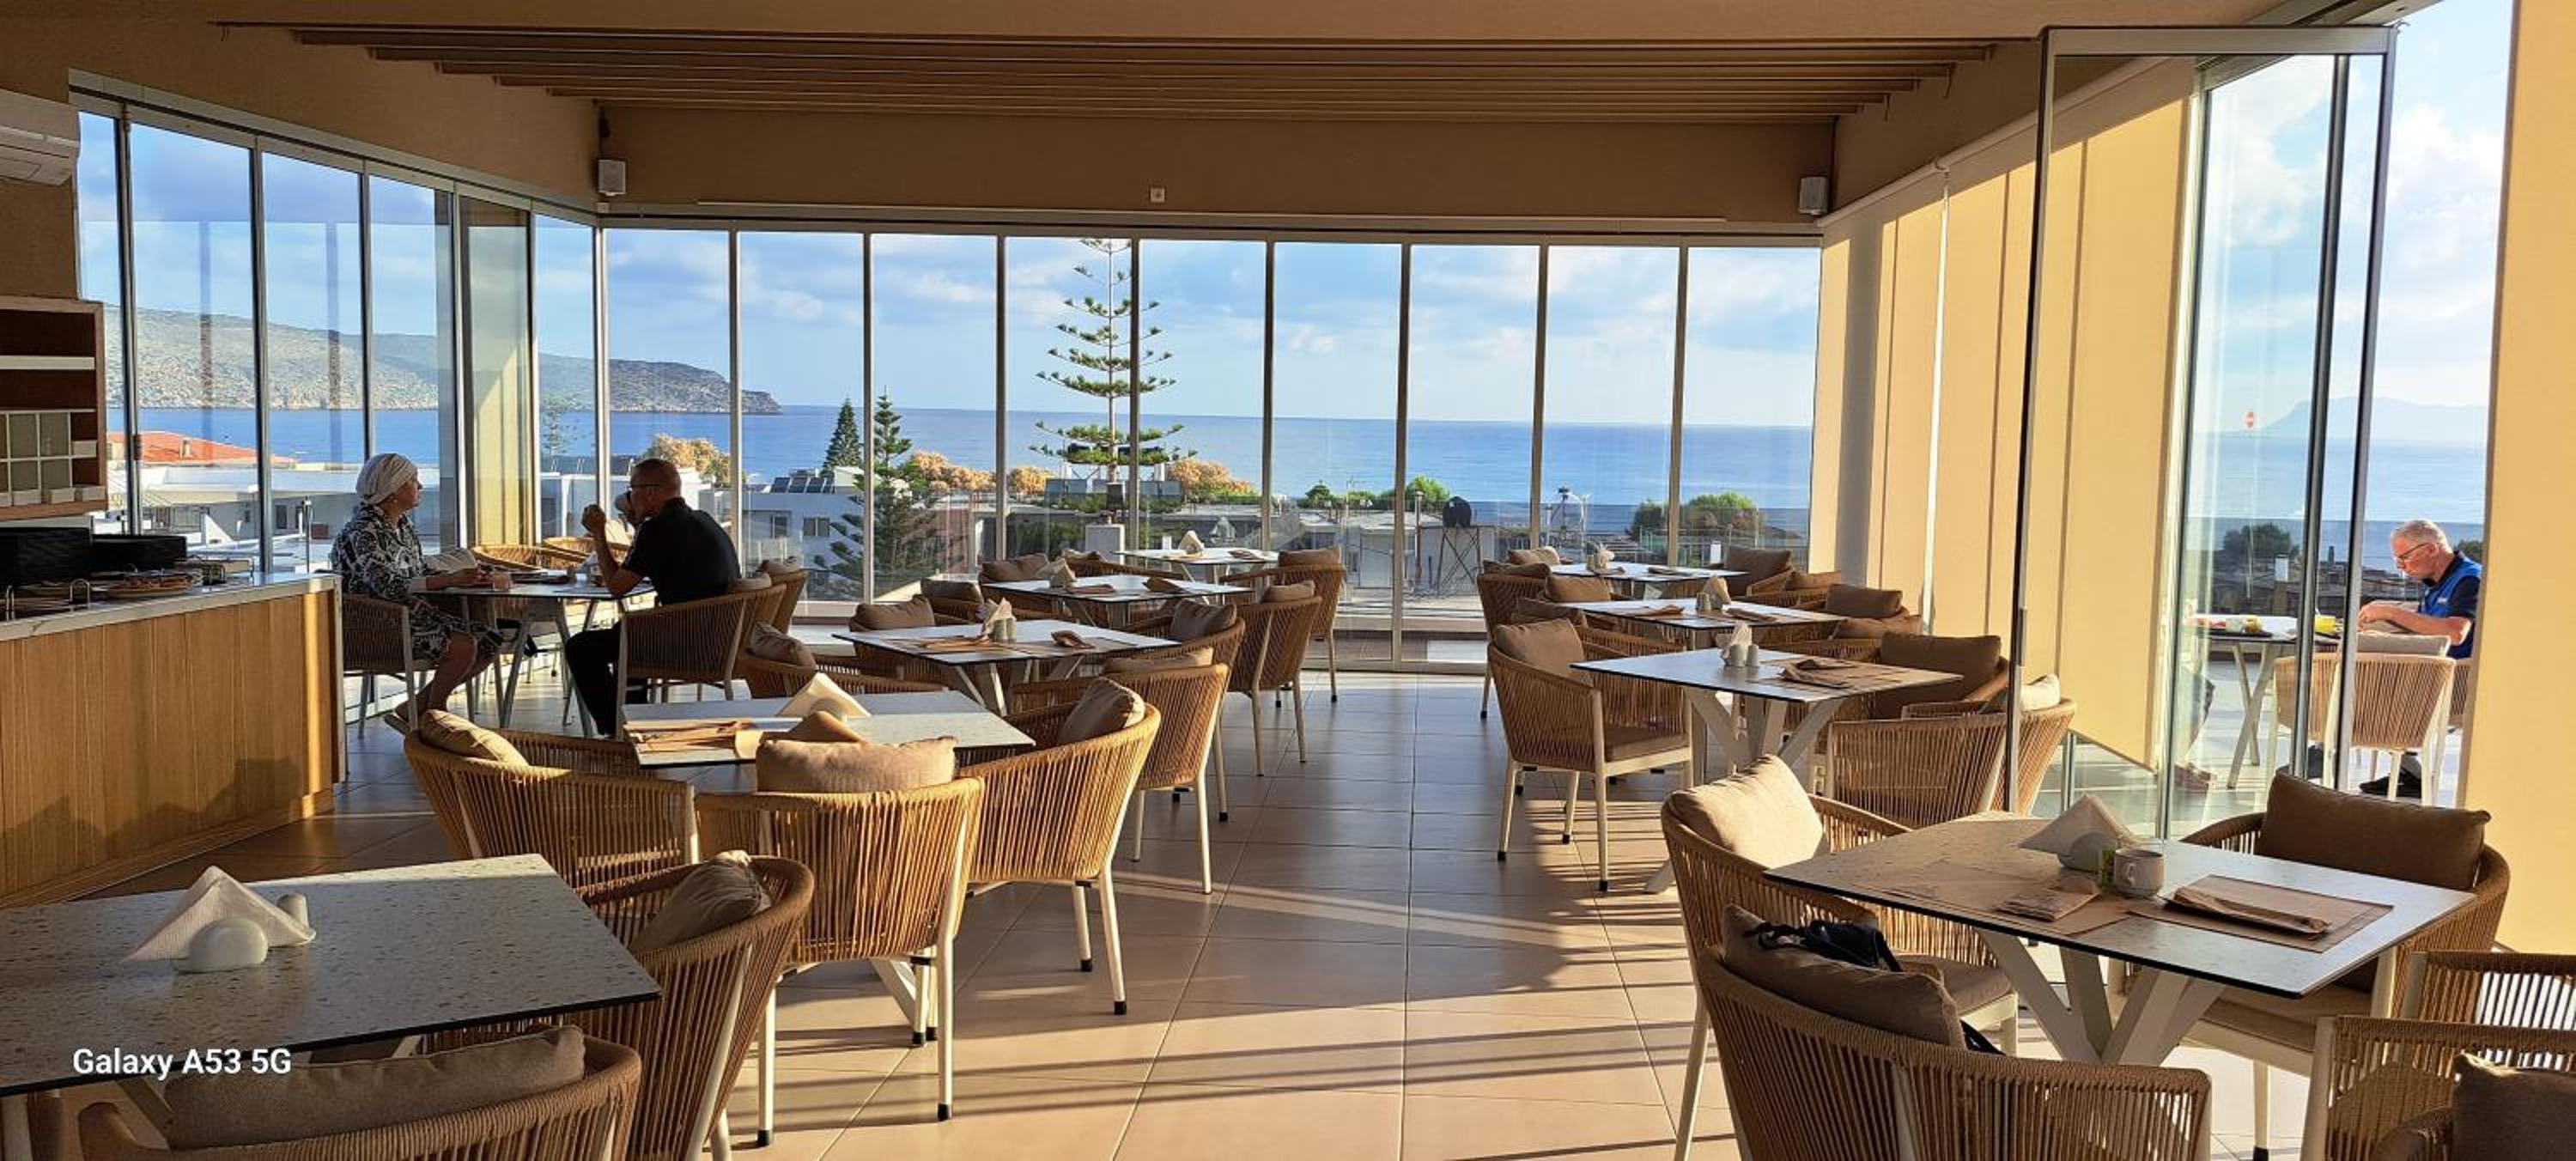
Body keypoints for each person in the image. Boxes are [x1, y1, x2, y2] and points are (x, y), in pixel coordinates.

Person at [330, 452, 513, 724]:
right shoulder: (364, 531)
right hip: (376, 625)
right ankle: (435, 713)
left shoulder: (403, 527)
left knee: (489, 641)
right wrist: (448, 580)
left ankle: (417, 708)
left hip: (412, 616)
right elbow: (386, 586)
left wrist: (467, 578)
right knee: (463, 645)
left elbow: (418, 571)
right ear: (393, 489)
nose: (420, 486)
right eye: (413, 480)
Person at [563, 458, 741, 732]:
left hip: (686, 644)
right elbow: (661, 558)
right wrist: (639, 525)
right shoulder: (703, 520)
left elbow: (617, 587)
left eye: (632, 489)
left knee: (581, 647)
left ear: (649, 492)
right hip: (718, 637)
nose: (628, 497)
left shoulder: (657, 529)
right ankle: (634, 721)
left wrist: (598, 533)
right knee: (631, 634)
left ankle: (615, 726)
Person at [2354, 519, 2480, 798]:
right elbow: (2426, 629)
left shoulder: (2469, 580)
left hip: (2453, 684)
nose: (2401, 566)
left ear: (2432, 549)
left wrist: (2391, 612)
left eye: (2405, 557)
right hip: (2426, 678)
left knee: (2359, 689)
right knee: (2358, 677)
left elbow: (2455, 633)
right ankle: (2410, 772)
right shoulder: (2435, 584)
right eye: (2397, 560)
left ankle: (2324, 751)